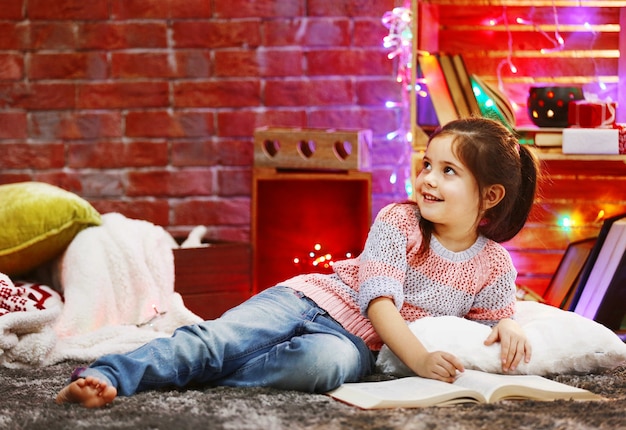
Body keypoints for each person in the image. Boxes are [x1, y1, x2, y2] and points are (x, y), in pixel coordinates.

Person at [56, 117, 539, 408]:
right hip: (312, 299)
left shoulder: (494, 265)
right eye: (427, 165)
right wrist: (419, 359)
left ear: (490, 196)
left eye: (447, 171)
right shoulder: (401, 221)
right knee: (221, 338)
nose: (427, 179)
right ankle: (109, 375)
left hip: (354, 347)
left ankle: (203, 372)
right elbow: (378, 301)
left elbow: (492, 318)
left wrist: (510, 326)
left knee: (319, 367)